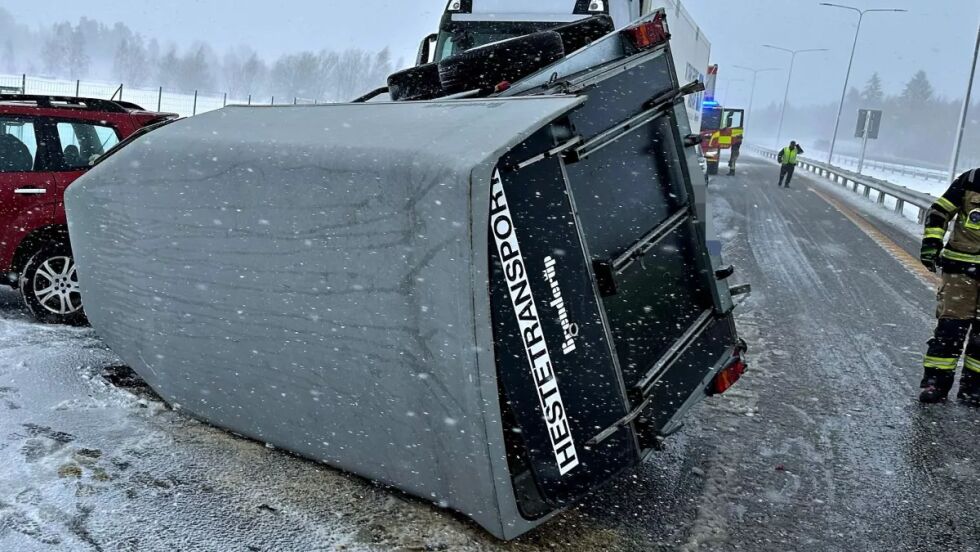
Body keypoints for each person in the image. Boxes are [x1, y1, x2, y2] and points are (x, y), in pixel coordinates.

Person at [919, 168, 980, 404]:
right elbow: (939, 211)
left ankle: (973, 390)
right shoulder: (971, 180)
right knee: (950, 331)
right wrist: (931, 243)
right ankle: (935, 384)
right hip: (960, 274)